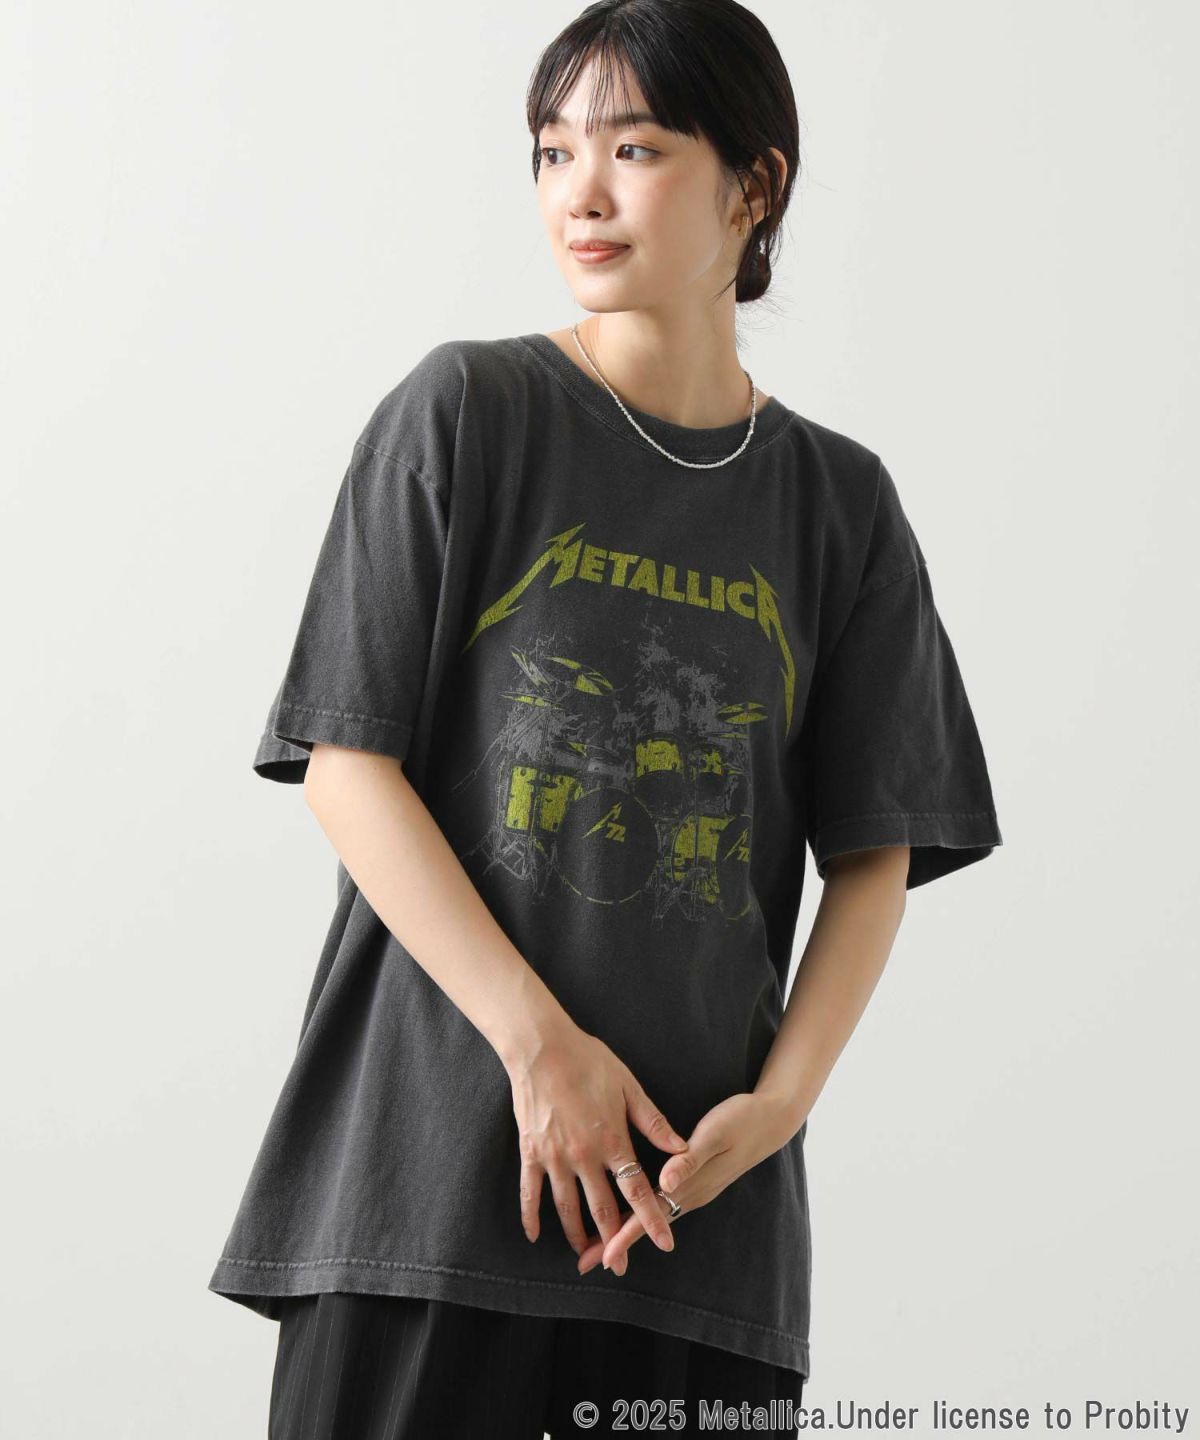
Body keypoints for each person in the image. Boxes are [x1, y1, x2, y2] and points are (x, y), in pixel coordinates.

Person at [207, 1, 1003, 1435]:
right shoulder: (468, 411)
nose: (579, 191)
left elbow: (876, 847)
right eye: (551, 150)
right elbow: (345, 763)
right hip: (428, 1205)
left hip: (695, 1237)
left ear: (754, 185)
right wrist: (541, 1049)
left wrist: (781, 1107)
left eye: (633, 148)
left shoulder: (837, 505)